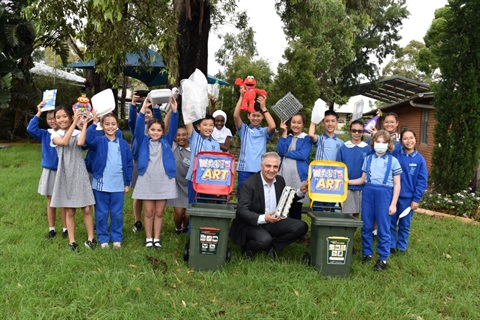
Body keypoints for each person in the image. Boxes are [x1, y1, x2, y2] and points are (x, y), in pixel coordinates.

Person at [229, 152, 309, 260]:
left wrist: (300, 191)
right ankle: (249, 248)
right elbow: (242, 211)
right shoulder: (248, 184)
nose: (272, 170)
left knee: (301, 226)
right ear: (261, 166)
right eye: (268, 166)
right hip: (251, 223)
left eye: (275, 167)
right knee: (264, 240)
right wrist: (263, 218)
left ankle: (273, 247)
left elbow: (284, 200)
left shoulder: (280, 180)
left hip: (273, 221)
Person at [349, 130, 402, 271]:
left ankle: (383, 259)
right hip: (368, 191)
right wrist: (347, 181)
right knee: (366, 225)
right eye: (378, 141)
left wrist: (393, 203)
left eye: (384, 142)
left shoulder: (393, 161)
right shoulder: (368, 159)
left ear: (388, 144)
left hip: (384, 193)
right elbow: (362, 179)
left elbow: (397, 184)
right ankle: (367, 253)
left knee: (384, 227)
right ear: (373, 143)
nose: (380, 144)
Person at [132, 97, 178, 248]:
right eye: (153, 130)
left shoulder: (167, 141)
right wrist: (143, 108)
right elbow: (138, 127)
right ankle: (148, 238)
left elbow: (173, 126)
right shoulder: (143, 140)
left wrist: (175, 111)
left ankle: (156, 239)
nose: (156, 132)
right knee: (149, 211)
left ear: (162, 131)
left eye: (159, 130)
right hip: (147, 179)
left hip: (164, 180)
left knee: (159, 212)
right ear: (148, 130)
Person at [50, 106, 96, 251]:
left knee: (87, 208)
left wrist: (84, 124)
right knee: (70, 210)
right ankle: (72, 241)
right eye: (58, 117)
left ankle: (91, 238)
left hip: (79, 172)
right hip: (65, 174)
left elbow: (81, 143)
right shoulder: (53, 134)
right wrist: (75, 123)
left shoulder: (77, 132)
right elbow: (64, 142)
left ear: (70, 117)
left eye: (64, 116)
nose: (61, 119)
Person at [86, 112, 133, 249]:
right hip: (100, 185)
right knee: (101, 213)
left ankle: (117, 237)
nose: (110, 127)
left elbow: (129, 164)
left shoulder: (123, 144)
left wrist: (127, 182)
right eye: (107, 124)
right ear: (102, 126)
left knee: (117, 213)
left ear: (117, 126)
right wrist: (93, 124)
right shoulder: (98, 141)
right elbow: (87, 140)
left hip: (118, 185)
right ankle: (103, 238)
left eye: (113, 124)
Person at [27, 101, 67, 239]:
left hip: (63, 170)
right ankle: (51, 228)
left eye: (54, 117)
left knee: (63, 200)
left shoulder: (66, 133)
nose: (52, 121)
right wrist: (39, 112)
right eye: (49, 118)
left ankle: (65, 228)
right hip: (49, 171)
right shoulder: (45, 134)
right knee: (50, 200)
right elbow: (31, 129)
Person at [128, 92, 163, 234]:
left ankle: (153, 220)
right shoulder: (137, 127)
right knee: (138, 193)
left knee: (152, 193)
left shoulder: (154, 129)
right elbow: (131, 119)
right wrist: (133, 104)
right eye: (145, 112)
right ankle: (137, 220)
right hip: (138, 160)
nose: (147, 115)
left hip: (153, 163)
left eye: (149, 113)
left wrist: (155, 108)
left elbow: (160, 121)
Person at [391, 129, 428, 254]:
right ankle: (391, 245)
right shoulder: (395, 155)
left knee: (404, 224)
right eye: (405, 138)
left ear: (415, 139)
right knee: (391, 222)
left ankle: (401, 247)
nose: (409, 141)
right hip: (393, 196)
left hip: (408, 198)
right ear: (401, 141)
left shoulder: (420, 160)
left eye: (411, 138)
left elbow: (422, 181)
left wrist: (416, 199)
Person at [234, 87, 276, 195]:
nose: (256, 118)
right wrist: (241, 97)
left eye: (258, 116)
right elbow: (235, 116)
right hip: (244, 170)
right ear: (248, 116)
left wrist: (264, 108)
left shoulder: (263, 131)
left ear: (262, 117)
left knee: (258, 198)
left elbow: (273, 126)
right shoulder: (244, 129)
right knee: (243, 197)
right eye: (253, 115)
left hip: (260, 171)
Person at [276, 112, 312, 220]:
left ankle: (296, 233)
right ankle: (283, 232)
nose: (296, 125)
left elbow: (303, 155)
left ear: (303, 124)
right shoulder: (287, 137)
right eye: (293, 122)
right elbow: (280, 150)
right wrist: (284, 131)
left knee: (296, 206)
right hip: (284, 174)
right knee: (283, 205)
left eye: (299, 123)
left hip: (298, 177)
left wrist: (286, 154)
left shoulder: (306, 138)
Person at [308, 109, 344, 211]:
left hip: (334, 181)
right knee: (317, 207)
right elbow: (311, 135)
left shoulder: (341, 143)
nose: (330, 124)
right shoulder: (320, 139)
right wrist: (314, 119)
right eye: (327, 121)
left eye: (333, 121)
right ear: (323, 123)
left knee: (331, 207)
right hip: (319, 179)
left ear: (336, 123)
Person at [336, 120, 371, 218]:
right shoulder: (344, 148)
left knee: (356, 213)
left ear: (363, 132)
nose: (356, 133)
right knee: (347, 214)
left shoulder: (367, 148)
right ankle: (347, 233)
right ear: (350, 131)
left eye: (359, 131)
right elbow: (339, 167)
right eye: (354, 130)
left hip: (362, 186)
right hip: (346, 186)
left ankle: (353, 233)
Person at [185, 114, 221, 203]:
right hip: (195, 180)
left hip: (210, 181)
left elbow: (218, 164)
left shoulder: (216, 144)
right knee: (193, 207)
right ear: (198, 126)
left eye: (211, 125)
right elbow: (188, 119)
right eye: (205, 125)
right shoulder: (194, 137)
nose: (208, 128)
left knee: (208, 206)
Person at [166, 126, 191, 234]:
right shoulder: (173, 147)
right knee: (179, 213)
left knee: (188, 215)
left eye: (184, 135)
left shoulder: (194, 149)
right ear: (175, 137)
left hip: (190, 186)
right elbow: (167, 129)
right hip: (177, 185)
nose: (181, 137)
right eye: (178, 135)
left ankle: (185, 227)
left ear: (188, 136)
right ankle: (178, 229)